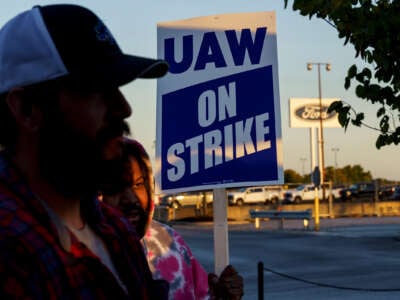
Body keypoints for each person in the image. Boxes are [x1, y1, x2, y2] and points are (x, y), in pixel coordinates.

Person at [0, 4, 169, 299]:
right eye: (96, 89)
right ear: (27, 109)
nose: (124, 108)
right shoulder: (11, 251)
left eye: (117, 87)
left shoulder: (114, 228)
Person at [101, 138, 244, 300]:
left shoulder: (169, 240)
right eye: (116, 188)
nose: (130, 199)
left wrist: (222, 295)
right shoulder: (79, 252)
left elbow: (202, 294)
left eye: (138, 184)